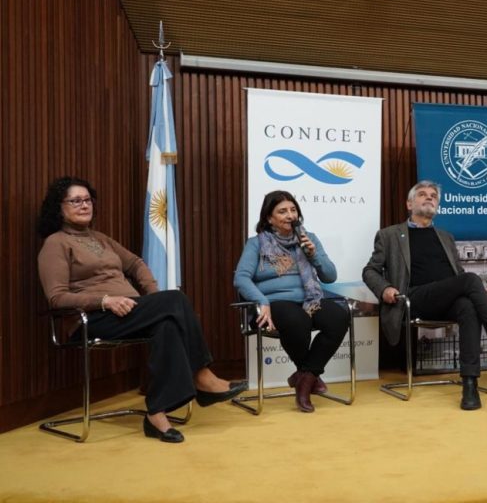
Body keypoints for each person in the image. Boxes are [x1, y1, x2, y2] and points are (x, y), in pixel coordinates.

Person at [37, 176, 247, 443]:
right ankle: (203, 378)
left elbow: (136, 263)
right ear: (59, 208)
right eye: (75, 201)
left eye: (87, 199)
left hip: (130, 313)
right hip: (92, 319)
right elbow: (56, 298)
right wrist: (105, 301)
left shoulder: (100, 238)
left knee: (167, 323)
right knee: (175, 302)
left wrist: (153, 300)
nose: (84, 205)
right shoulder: (55, 244)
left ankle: (156, 415)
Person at [362, 180, 487, 411]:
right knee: (471, 280)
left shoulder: (445, 237)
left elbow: (458, 274)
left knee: (468, 307)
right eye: (422, 194)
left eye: (433, 195)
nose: (429, 198)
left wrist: (479, 287)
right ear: (409, 204)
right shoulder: (389, 235)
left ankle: (469, 384)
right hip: (413, 298)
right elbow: (370, 270)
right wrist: (384, 289)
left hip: (445, 299)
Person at [234, 190, 348, 413]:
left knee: (338, 317)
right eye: (282, 211)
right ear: (269, 218)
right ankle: (308, 382)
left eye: (293, 210)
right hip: (275, 302)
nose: (289, 215)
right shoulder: (257, 243)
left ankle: (304, 376)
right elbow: (241, 278)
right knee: (298, 322)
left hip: (310, 297)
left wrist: (314, 255)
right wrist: (261, 301)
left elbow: (330, 276)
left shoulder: (309, 239)